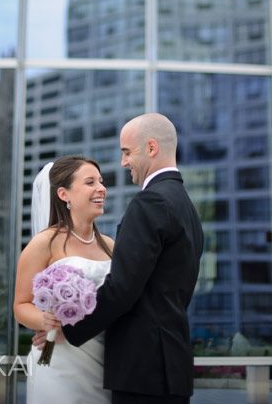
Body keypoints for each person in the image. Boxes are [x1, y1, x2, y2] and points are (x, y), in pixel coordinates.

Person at [62, 113, 204, 404]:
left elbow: (122, 288)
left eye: (127, 152)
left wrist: (68, 328)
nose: (124, 162)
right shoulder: (186, 206)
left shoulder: (150, 202)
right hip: (171, 366)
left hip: (143, 371)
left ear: (151, 148)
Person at [13, 155, 114, 404]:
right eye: (90, 182)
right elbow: (21, 305)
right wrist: (47, 322)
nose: (101, 188)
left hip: (105, 360)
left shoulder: (112, 246)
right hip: (60, 361)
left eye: (100, 181)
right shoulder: (44, 243)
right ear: (63, 194)